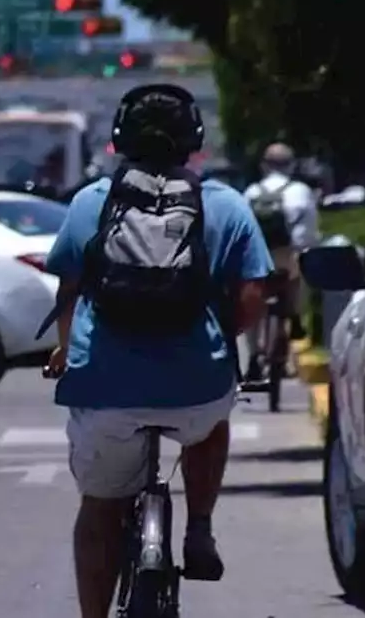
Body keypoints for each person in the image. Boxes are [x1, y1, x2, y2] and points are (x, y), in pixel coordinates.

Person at [42, 84, 273, 618]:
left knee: (99, 512)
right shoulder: (227, 206)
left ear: (121, 139)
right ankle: (199, 530)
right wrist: (219, 343)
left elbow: (68, 294)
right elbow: (253, 299)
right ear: (193, 140)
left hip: (104, 392)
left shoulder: (90, 202)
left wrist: (63, 352)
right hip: (198, 389)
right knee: (213, 422)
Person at [242, 143, 320, 369]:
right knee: (299, 273)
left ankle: (255, 355)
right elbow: (310, 234)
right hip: (287, 259)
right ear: (291, 165)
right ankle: (295, 317)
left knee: (252, 301)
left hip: (256, 259)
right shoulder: (301, 190)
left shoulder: (252, 192)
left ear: (264, 166)